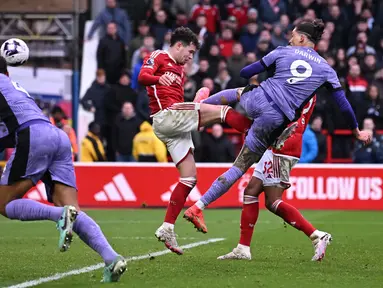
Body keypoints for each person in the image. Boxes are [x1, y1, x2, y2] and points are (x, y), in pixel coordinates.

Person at [184, 19, 372, 234]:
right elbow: (343, 105)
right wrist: (356, 130)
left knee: (239, 92)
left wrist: (269, 68)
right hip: (276, 120)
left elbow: (246, 72)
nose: (290, 38)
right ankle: (198, 207)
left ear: (302, 37)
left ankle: (200, 106)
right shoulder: (326, 69)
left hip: (259, 99)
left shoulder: (283, 51)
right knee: (239, 167)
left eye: (293, 35)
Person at [0, 57, 126, 282]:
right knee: (73, 209)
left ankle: (58, 215)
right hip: (57, 135)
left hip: (33, 136)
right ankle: (112, 257)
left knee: (4, 203)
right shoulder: (13, 87)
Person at [138, 27, 253, 255]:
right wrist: (159, 76)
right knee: (223, 112)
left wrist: (197, 102)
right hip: (166, 117)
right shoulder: (159, 56)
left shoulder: (180, 70)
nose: (190, 57)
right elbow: (142, 77)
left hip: (175, 122)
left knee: (189, 178)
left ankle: (167, 227)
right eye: (189, 52)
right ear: (178, 45)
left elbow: (185, 109)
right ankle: (259, 135)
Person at [217, 96, 333, 262]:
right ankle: (243, 248)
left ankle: (316, 236)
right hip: (282, 141)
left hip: (284, 142)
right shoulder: (308, 83)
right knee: (251, 191)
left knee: (273, 201)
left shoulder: (300, 83)